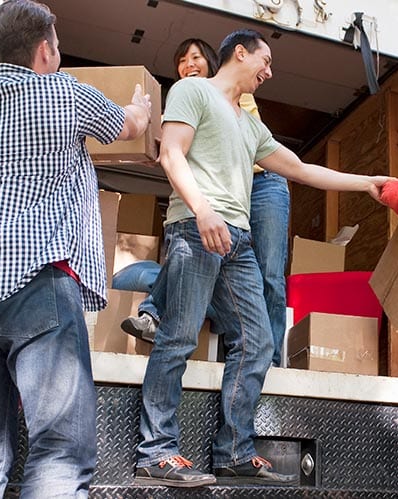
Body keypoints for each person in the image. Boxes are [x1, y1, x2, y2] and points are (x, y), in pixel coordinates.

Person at [134, 29, 391, 488]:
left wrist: (366, 181)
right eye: (265, 61)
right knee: (177, 338)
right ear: (240, 52)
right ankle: (157, 452)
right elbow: (172, 154)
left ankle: (233, 451)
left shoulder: (251, 125)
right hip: (196, 227)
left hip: (238, 241)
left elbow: (301, 168)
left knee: (258, 342)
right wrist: (202, 208)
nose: (269, 73)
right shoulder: (193, 90)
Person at [0, 0, 152, 496]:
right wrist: (139, 106)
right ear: (44, 49)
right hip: (34, 285)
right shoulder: (61, 94)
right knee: (59, 452)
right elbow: (129, 127)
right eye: (57, 45)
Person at [120, 37, 293, 366]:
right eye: (182, 61)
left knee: (269, 272)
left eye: (196, 57)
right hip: (222, 197)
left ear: (216, 63)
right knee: (191, 250)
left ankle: (269, 359)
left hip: (262, 182)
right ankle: (160, 315)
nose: (188, 65)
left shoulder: (234, 93)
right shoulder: (188, 95)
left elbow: (286, 162)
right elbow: (174, 148)